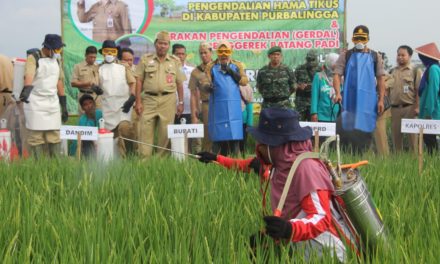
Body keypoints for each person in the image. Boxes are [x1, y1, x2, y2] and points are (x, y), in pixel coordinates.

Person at [196, 108, 355, 262]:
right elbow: (248, 164)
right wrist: (215, 159)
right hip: (303, 246)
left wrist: (288, 229)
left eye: (262, 141)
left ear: (277, 144)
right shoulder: (282, 165)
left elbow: (321, 218)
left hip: (327, 252)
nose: (258, 146)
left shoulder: (305, 168)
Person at [333, 25, 386, 153]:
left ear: (367, 39)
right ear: (353, 39)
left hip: (368, 100)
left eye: (362, 39)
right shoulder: (346, 55)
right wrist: (338, 93)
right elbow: (336, 75)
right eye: (357, 39)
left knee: (366, 128)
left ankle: (365, 154)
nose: (359, 42)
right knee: (348, 128)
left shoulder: (375, 56)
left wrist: (381, 100)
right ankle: (348, 155)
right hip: (349, 99)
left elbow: (380, 79)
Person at [135, 31, 185, 158]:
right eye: (160, 43)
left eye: (165, 44)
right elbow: (139, 81)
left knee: (165, 132)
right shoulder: (145, 59)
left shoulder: (175, 61)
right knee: (145, 131)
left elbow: (179, 83)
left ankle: (160, 161)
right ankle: (144, 161)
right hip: (149, 99)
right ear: (155, 44)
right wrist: (138, 101)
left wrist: (181, 102)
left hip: (168, 100)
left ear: (168, 46)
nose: (162, 46)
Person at [20, 34, 68, 157]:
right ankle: (38, 166)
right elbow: (29, 75)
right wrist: (26, 90)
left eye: (60, 49)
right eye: (57, 49)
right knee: (36, 137)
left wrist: (64, 106)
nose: (59, 52)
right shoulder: (33, 58)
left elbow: (59, 81)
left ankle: (55, 166)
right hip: (35, 103)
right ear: (47, 48)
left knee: (54, 136)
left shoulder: (57, 60)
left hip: (52, 103)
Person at [206, 41, 248, 156]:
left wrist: (231, 71)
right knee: (216, 140)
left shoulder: (237, 65)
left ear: (231, 52)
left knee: (235, 140)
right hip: (217, 108)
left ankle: (238, 165)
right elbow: (206, 81)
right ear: (217, 53)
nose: (224, 55)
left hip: (233, 108)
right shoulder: (211, 66)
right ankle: (212, 164)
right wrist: (207, 86)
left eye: (227, 51)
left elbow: (244, 82)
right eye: (221, 52)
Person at [98, 40, 136, 157]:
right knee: (111, 135)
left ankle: (131, 155)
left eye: (112, 51)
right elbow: (94, 83)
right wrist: (95, 88)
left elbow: (132, 82)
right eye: (106, 51)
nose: (109, 54)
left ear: (116, 53)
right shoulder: (98, 68)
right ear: (102, 53)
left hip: (123, 106)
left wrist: (132, 97)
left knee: (125, 130)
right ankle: (115, 159)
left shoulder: (123, 67)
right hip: (107, 106)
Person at [389, 46, 422, 153]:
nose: (400, 57)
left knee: (412, 139)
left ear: (410, 56)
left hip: (410, 108)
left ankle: (414, 162)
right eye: (398, 55)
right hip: (395, 109)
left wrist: (417, 107)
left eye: (403, 55)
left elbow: (418, 91)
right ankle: (398, 163)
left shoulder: (415, 71)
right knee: (396, 138)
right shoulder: (392, 71)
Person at [172, 43, 199, 152]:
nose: (180, 56)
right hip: (173, 107)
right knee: (174, 135)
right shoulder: (168, 69)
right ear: (173, 54)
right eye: (178, 54)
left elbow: (196, 90)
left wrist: (197, 106)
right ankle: (176, 156)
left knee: (189, 136)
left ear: (186, 55)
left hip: (189, 108)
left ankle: (190, 156)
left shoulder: (192, 69)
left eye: (182, 54)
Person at [415, 42, 440, 153]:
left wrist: (428, 112)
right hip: (429, 111)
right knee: (428, 139)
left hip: (432, 112)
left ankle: (433, 163)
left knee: (430, 141)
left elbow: (433, 91)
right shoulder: (430, 68)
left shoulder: (433, 69)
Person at [189, 42, 213, 152]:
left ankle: (224, 156)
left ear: (211, 53)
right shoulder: (196, 72)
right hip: (206, 104)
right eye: (201, 53)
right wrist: (194, 110)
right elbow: (193, 93)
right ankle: (207, 155)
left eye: (206, 52)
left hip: (220, 103)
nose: (203, 55)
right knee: (208, 132)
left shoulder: (217, 67)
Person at [310, 53, 340, 122]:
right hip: (321, 116)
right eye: (335, 64)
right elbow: (314, 96)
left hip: (337, 115)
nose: (336, 66)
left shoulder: (340, 78)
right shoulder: (318, 76)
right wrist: (314, 113)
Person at [71, 46, 101, 113]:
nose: (93, 59)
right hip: (84, 96)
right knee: (84, 119)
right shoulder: (78, 66)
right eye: (91, 57)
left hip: (97, 97)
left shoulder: (98, 66)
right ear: (85, 55)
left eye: (94, 57)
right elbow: (73, 83)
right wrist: (87, 83)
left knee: (98, 118)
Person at [295, 49, 320, 121]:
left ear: (316, 59)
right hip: (301, 103)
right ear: (306, 59)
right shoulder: (299, 69)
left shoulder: (320, 70)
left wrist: (314, 87)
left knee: (313, 127)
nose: (311, 62)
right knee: (298, 125)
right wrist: (299, 86)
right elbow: (292, 83)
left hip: (314, 104)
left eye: (312, 59)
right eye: (309, 59)